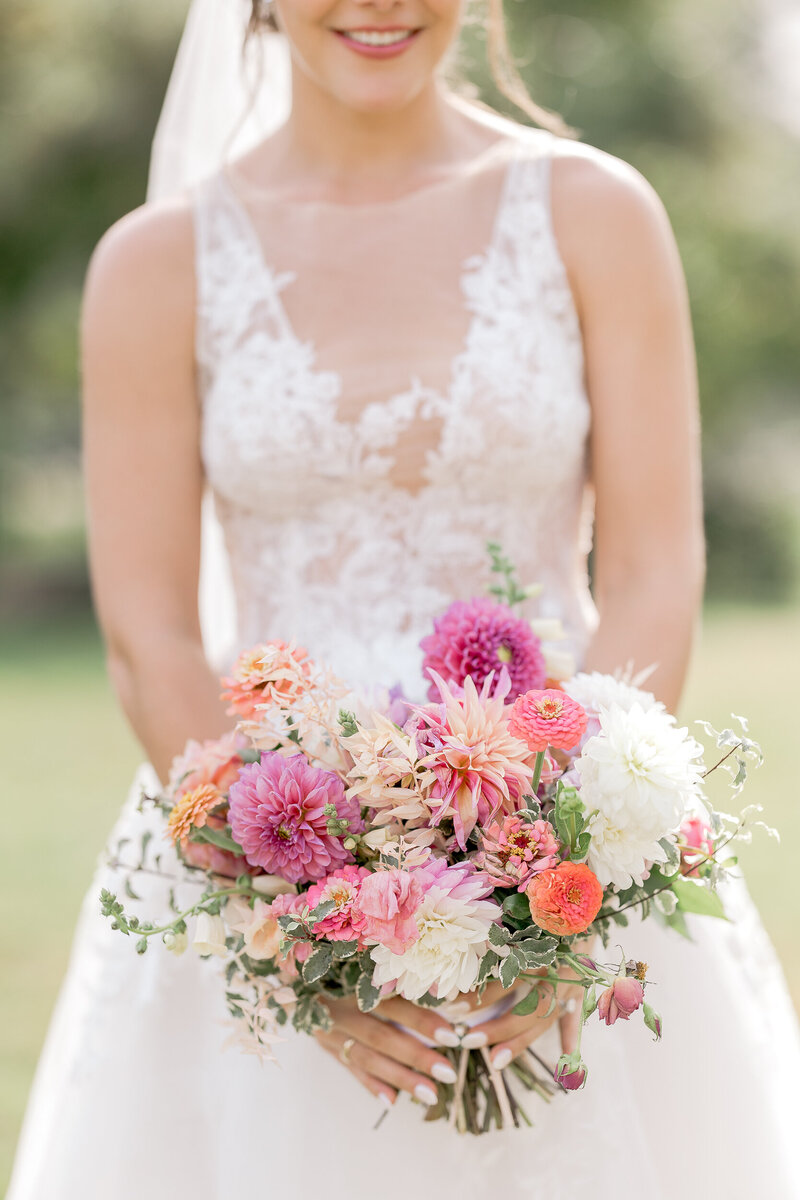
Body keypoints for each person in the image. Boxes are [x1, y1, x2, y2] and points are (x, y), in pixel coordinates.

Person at [8, 0, 800, 1197]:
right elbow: (148, 632)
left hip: (560, 811)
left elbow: (650, 568)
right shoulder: (157, 263)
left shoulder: (595, 214)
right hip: (252, 839)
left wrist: (564, 889)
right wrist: (294, 939)